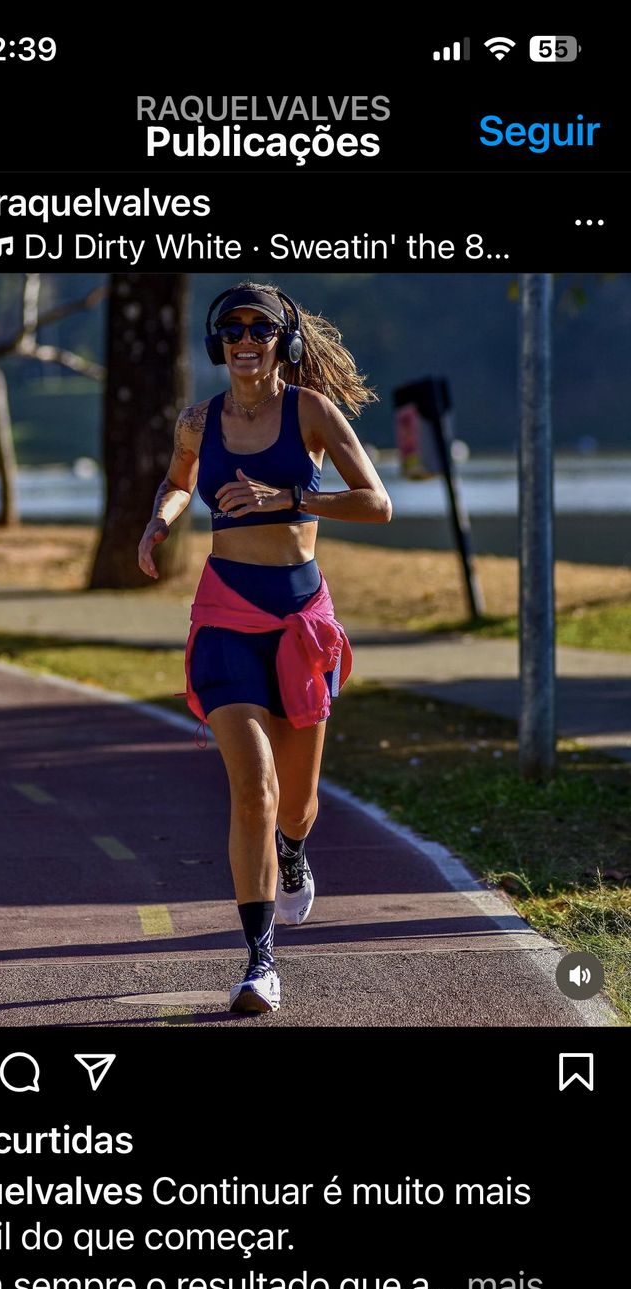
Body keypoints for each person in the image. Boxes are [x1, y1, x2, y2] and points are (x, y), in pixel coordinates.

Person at [138, 281, 392, 1016]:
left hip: (299, 619)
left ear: (285, 340)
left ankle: (293, 851)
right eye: (233, 329)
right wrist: (161, 520)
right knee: (253, 785)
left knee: (298, 805)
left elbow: (377, 503)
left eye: (261, 328)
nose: (246, 340)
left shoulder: (311, 412)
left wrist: (290, 499)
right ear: (218, 344)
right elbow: (179, 483)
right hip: (225, 615)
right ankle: (259, 962)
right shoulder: (197, 422)